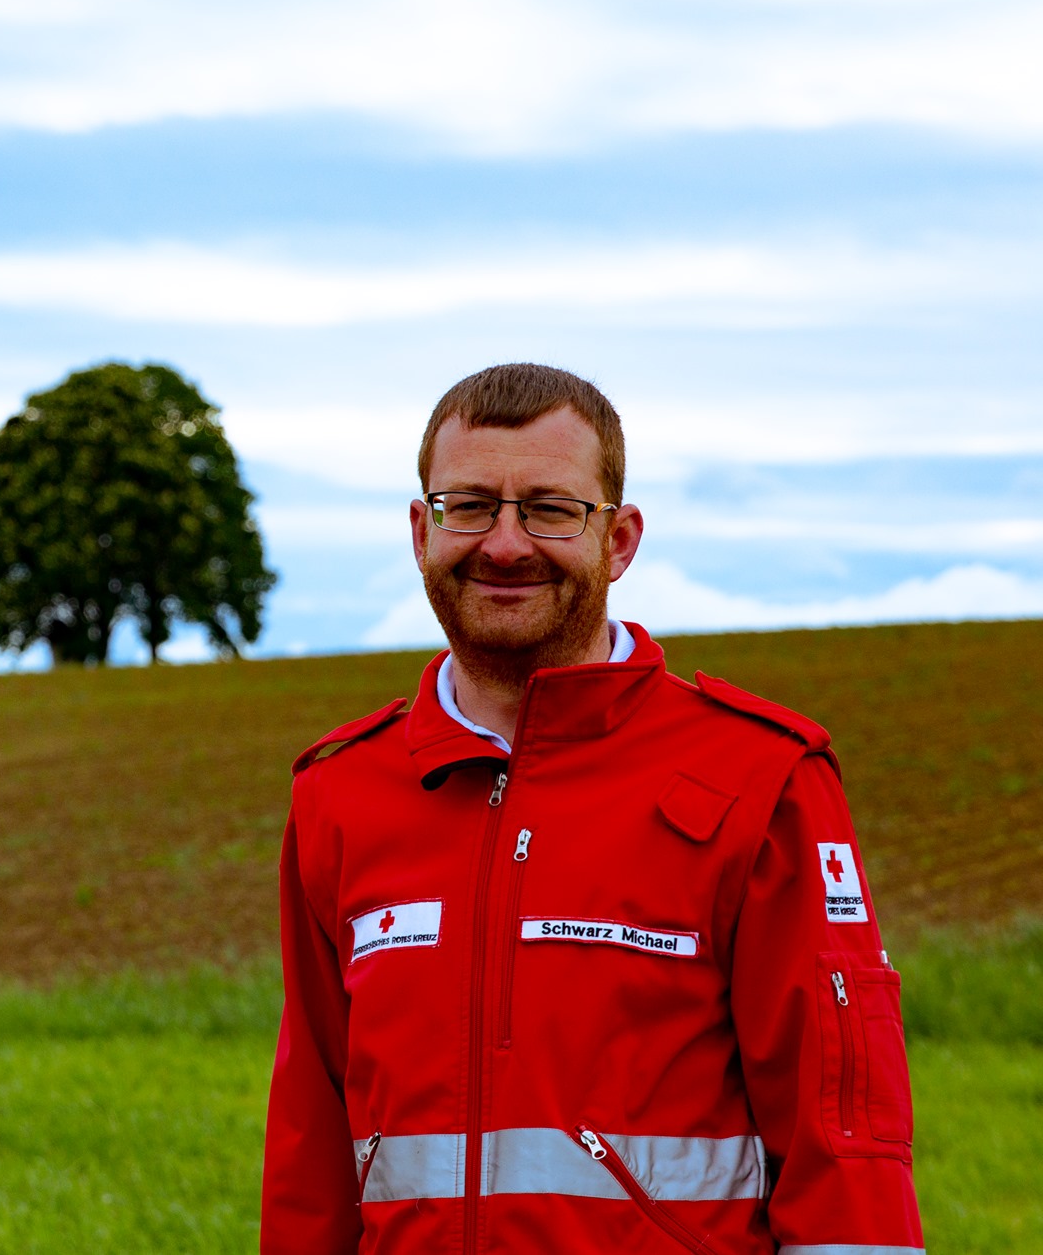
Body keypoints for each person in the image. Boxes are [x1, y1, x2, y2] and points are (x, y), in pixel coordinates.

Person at [261, 364, 922, 1253]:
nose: (503, 544)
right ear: (422, 531)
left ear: (619, 540)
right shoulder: (339, 792)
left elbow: (844, 1151)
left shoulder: (762, 779)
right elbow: (310, 1153)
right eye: (469, 505)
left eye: (550, 508)